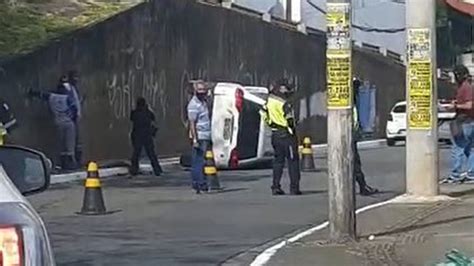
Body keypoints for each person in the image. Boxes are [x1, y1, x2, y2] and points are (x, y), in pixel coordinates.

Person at [261, 78, 301, 196]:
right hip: (287, 135)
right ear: (282, 89)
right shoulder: (284, 103)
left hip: (275, 134)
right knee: (293, 161)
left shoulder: (269, 101)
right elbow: (290, 119)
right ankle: (294, 188)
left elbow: (263, 114)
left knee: (278, 162)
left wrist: (271, 124)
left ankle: (275, 186)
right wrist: (292, 129)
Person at [29, 76, 77, 170]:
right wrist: (73, 118)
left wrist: (32, 93)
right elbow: (74, 109)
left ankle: (58, 164)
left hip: (58, 123)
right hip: (69, 123)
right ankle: (71, 164)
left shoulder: (52, 97)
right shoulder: (68, 98)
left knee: (59, 144)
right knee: (70, 144)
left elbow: (41, 95)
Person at [444, 65, 474, 183]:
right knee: (470, 149)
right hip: (469, 121)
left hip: (464, 122)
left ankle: (455, 175)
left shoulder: (466, 88)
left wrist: (454, 106)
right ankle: (472, 174)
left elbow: (469, 105)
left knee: (458, 148)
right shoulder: (466, 87)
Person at [353, 78, 379, 196]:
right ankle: (362, 186)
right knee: (354, 163)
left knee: (355, 163)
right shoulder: (350, 104)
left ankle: (362, 186)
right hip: (348, 137)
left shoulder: (354, 103)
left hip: (352, 136)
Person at [187, 80, 211, 194]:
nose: (202, 92)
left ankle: (199, 183)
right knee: (198, 161)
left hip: (206, 135)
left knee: (201, 161)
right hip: (200, 136)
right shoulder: (194, 105)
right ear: (195, 91)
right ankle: (199, 184)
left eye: (204, 90)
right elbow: (192, 123)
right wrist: (195, 139)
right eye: (200, 90)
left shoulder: (203, 102)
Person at [129, 97, 163, 177]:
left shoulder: (135, 113)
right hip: (147, 135)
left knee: (136, 154)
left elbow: (132, 119)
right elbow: (153, 118)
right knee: (151, 154)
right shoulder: (147, 112)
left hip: (137, 135)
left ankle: (134, 170)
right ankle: (157, 170)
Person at [65, 70, 83, 166]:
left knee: (77, 141)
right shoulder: (67, 89)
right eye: (74, 77)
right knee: (71, 141)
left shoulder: (74, 89)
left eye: (77, 77)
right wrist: (74, 115)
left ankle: (77, 160)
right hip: (71, 118)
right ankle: (72, 162)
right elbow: (71, 103)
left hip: (76, 117)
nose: (76, 79)